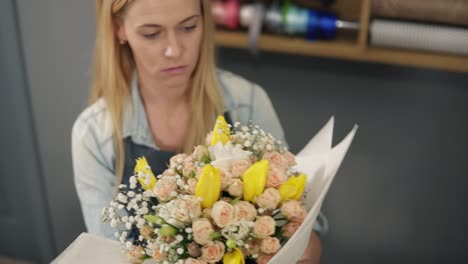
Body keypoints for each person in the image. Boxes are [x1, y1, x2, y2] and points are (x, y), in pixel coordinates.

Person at [72, 0, 326, 262]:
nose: (174, 49)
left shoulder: (246, 103)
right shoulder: (94, 135)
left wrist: (301, 249)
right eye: (152, 33)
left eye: (188, 27)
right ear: (119, 29)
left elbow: (303, 226)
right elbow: (110, 253)